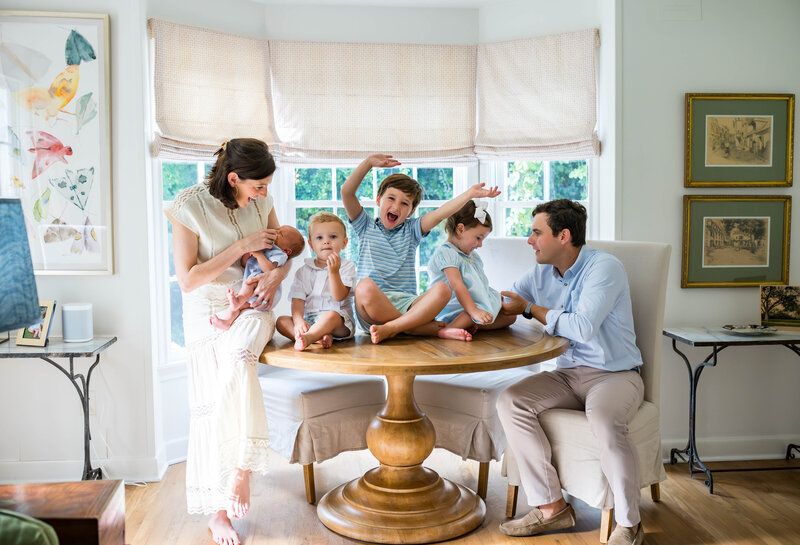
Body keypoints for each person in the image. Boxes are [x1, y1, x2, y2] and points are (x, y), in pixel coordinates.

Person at [496, 199, 646, 545]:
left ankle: (629, 525)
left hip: (615, 376)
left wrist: (529, 308)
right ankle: (552, 508)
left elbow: (582, 328)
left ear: (563, 236)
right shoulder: (541, 273)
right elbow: (505, 303)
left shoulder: (604, 268)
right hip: (567, 375)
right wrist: (468, 313)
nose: (530, 240)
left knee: (605, 420)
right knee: (511, 401)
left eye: (537, 232)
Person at [165, 138, 289, 545]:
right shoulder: (188, 206)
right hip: (205, 311)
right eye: (258, 186)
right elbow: (188, 280)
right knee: (212, 399)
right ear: (234, 178)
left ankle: (241, 471)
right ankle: (218, 513)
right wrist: (241, 246)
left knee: (239, 358)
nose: (264, 194)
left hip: (253, 305)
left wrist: (275, 277)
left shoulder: (261, 203)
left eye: (267, 185)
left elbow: (282, 255)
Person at [341, 153, 500, 344]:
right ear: (378, 200)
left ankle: (396, 328)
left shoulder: (412, 230)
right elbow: (347, 192)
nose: (396, 207)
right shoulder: (365, 226)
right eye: (391, 198)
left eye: (404, 203)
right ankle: (416, 329)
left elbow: (441, 213)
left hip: (409, 306)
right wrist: (368, 163)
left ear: (412, 211)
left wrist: (469, 195)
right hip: (372, 310)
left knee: (442, 289)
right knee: (364, 286)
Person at [426, 199, 516, 333]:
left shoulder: (473, 257)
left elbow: (479, 283)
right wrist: (473, 310)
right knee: (477, 310)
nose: (480, 245)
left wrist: (489, 296)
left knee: (510, 317)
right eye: (478, 238)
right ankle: (448, 330)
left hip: (469, 305)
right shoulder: (446, 252)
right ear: (460, 229)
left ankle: (469, 323)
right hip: (454, 306)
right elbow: (457, 285)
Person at [276, 212, 357, 351]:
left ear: (344, 243)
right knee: (281, 321)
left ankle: (309, 337)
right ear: (311, 245)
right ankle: (318, 338)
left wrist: (334, 272)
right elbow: (298, 300)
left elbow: (339, 296)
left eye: (333, 237)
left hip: (339, 322)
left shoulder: (347, 266)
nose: (326, 241)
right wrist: (298, 321)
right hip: (311, 319)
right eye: (319, 238)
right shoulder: (303, 271)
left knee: (331, 315)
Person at [210, 225, 305, 330]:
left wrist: (258, 254)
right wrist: (250, 252)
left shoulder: (279, 254)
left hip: (265, 292)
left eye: (280, 234)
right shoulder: (266, 248)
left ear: (286, 251)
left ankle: (239, 299)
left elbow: (270, 270)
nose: (275, 232)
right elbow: (246, 263)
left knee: (250, 284)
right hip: (256, 291)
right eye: (277, 230)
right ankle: (226, 321)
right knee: (238, 307)